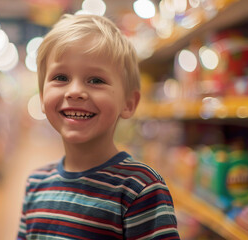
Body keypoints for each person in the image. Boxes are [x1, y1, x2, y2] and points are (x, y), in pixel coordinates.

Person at [17, 13, 179, 239]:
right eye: (61, 77)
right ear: (43, 96)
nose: (74, 91)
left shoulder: (140, 189)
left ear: (128, 103)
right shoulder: (36, 184)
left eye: (96, 80)